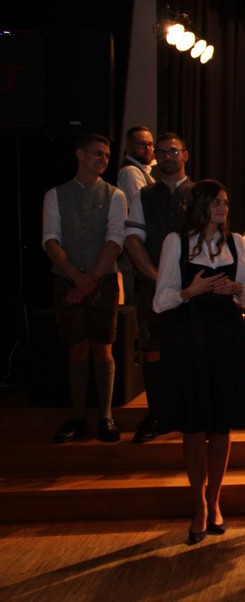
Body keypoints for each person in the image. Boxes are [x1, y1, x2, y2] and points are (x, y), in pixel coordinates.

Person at [153, 179, 245, 544]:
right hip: (189, 338)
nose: (223, 208)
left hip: (226, 337)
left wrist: (237, 289)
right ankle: (198, 502)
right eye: (216, 202)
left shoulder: (235, 242)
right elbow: (160, 301)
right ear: (200, 205)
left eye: (226, 202)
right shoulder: (176, 242)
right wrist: (191, 291)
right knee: (194, 425)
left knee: (221, 425)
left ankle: (214, 500)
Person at [43, 134, 128, 443]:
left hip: (103, 280)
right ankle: (78, 417)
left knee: (103, 347)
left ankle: (106, 416)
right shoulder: (55, 195)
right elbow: (50, 240)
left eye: (106, 155)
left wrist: (89, 279)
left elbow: (115, 240)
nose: (103, 159)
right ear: (80, 154)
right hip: (66, 279)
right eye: (97, 153)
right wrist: (76, 279)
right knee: (76, 349)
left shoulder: (115, 195)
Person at [124, 133, 193, 443]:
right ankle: (156, 415)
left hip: (193, 289)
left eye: (173, 151)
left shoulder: (200, 194)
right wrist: (157, 276)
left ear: (185, 155)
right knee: (153, 352)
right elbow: (132, 240)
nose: (167, 156)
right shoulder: (143, 195)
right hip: (152, 287)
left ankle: (190, 414)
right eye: (162, 152)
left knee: (190, 352)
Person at [116, 126, 155, 304]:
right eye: (141, 145)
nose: (147, 149)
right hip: (134, 244)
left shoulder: (144, 170)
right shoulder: (130, 171)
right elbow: (143, 206)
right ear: (129, 147)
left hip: (140, 243)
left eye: (150, 144)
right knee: (136, 297)